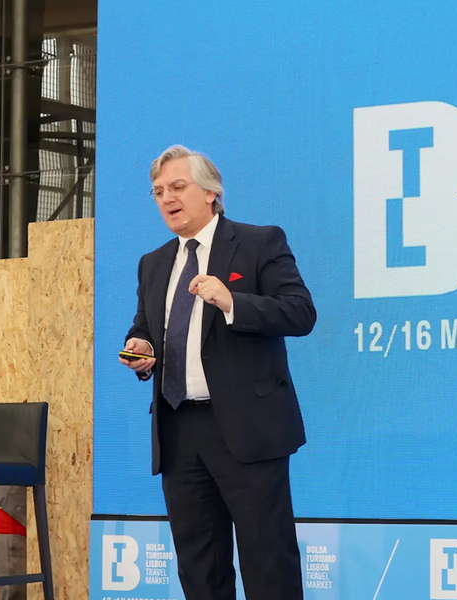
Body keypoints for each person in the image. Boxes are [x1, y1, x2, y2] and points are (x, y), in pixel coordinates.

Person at [120, 145, 316, 600]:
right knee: (200, 572)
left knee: (269, 565)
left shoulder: (258, 242)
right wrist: (139, 350)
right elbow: (145, 328)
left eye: (178, 187)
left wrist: (232, 303)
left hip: (248, 430)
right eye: (158, 192)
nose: (167, 197)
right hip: (178, 431)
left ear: (211, 192)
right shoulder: (153, 264)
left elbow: (300, 313)